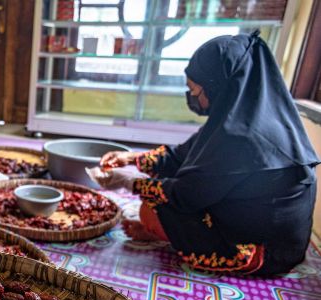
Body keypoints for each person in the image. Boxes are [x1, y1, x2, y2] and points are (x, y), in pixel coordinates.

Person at [96, 31, 319, 276]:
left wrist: (129, 182)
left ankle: (167, 234)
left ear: (218, 87)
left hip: (262, 248)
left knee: (153, 209)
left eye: (195, 91)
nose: (192, 98)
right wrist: (130, 159)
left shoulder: (243, 138)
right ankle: (170, 234)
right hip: (242, 216)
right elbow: (181, 156)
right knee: (165, 194)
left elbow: (186, 194)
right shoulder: (243, 117)